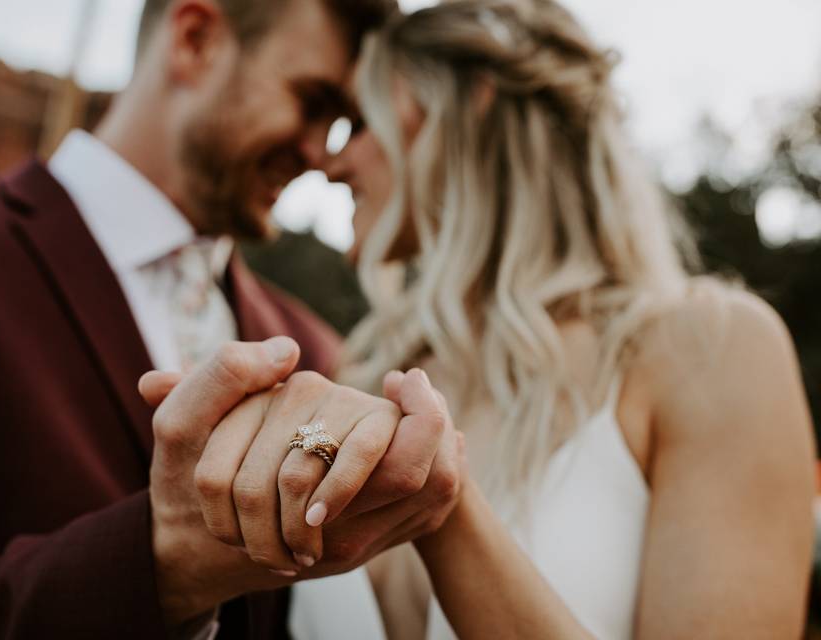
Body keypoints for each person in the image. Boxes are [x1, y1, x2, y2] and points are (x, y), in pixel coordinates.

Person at [0, 0, 466, 638]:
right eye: (311, 101)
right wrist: (166, 564)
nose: (320, 153)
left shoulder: (315, 346)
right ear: (195, 38)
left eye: (341, 123)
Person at [283, 0, 817, 638]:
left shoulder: (707, 350)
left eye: (362, 123)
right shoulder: (365, 377)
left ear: (466, 114)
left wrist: (446, 516)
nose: (331, 163)